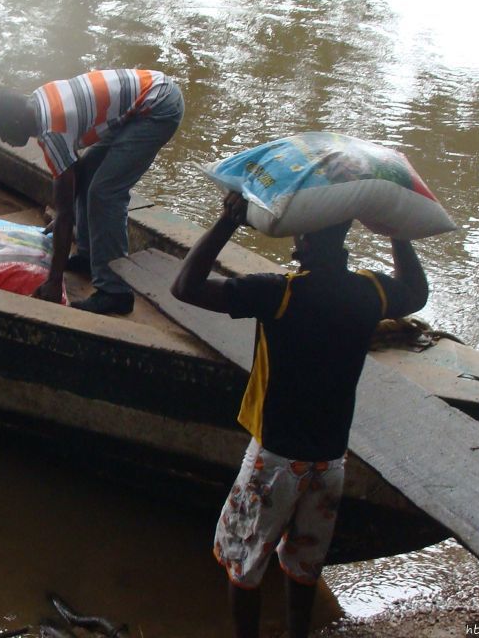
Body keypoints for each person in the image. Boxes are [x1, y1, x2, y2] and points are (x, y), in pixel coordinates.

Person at [170, 192, 429, 638]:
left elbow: (184, 287)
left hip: (275, 460)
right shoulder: (370, 291)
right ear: (345, 241)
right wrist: (397, 234)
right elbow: (417, 293)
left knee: (243, 561)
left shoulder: (281, 293)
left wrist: (227, 222)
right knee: (304, 564)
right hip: (330, 462)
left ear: (303, 242)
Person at [0, 69, 183, 315]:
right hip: (141, 102)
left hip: (157, 106)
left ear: (14, 121)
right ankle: (89, 259)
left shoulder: (50, 130)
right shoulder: (38, 102)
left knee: (105, 193)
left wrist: (54, 281)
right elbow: (73, 181)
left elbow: (66, 212)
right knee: (86, 180)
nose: (4, 140)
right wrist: (64, 216)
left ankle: (115, 292)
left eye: (2, 134)